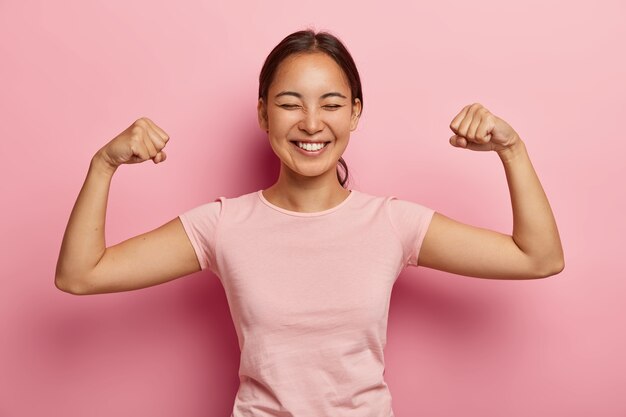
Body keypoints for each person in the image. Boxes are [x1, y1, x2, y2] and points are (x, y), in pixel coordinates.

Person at [55, 29, 564, 417]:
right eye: (289, 103)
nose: (312, 123)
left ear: (356, 114)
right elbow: (81, 274)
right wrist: (104, 164)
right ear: (263, 114)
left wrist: (511, 150)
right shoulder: (223, 225)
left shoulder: (390, 222)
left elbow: (538, 258)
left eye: (332, 104)